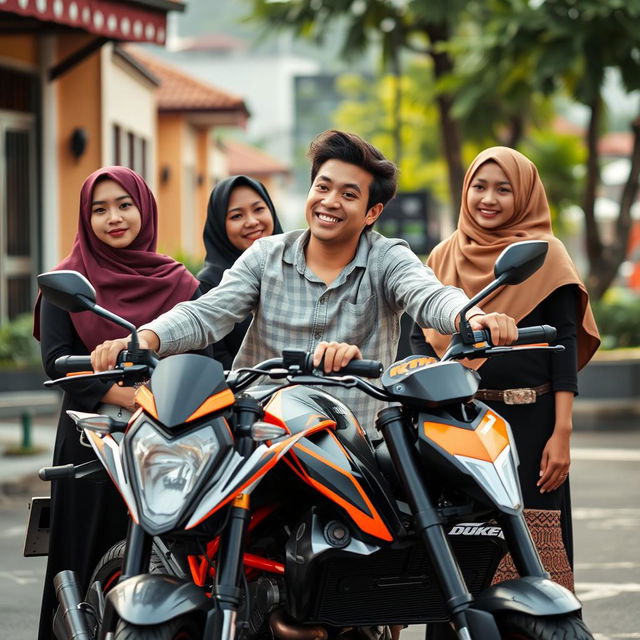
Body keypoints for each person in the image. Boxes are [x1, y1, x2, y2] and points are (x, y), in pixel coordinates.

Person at [91, 130, 518, 439]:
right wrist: (144, 338)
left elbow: (429, 294)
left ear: (372, 212)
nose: (330, 201)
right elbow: (207, 314)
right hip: (261, 436)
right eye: (323, 187)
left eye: (349, 195)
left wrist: (472, 317)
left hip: (356, 442)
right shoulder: (265, 256)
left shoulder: (388, 258)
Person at [411, 146, 600, 591]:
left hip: (533, 426)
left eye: (503, 189)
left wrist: (562, 432)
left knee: (537, 564)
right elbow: (416, 339)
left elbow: (563, 344)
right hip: (460, 426)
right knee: (461, 559)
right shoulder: (441, 257)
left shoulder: (546, 255)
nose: (488, 199)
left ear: (526, 195)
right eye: (479, 187)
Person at [34, 167, 201, 640]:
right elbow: (57, 362)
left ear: (144, 209)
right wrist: (128, 395)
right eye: (99, 209)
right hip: (90, 442)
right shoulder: (66, 280)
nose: (113, 217)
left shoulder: (181, 285)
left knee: (166, 562)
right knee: (84, 557)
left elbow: (202, 355)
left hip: (168, 442)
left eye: (124, 205)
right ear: (85, 218)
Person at [197, 175, 283, 368]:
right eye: (237, 216)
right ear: (220, 225)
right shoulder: (210, 284)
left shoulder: (296, 268)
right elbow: (216, 358)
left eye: (259, 209)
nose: (252, 221)